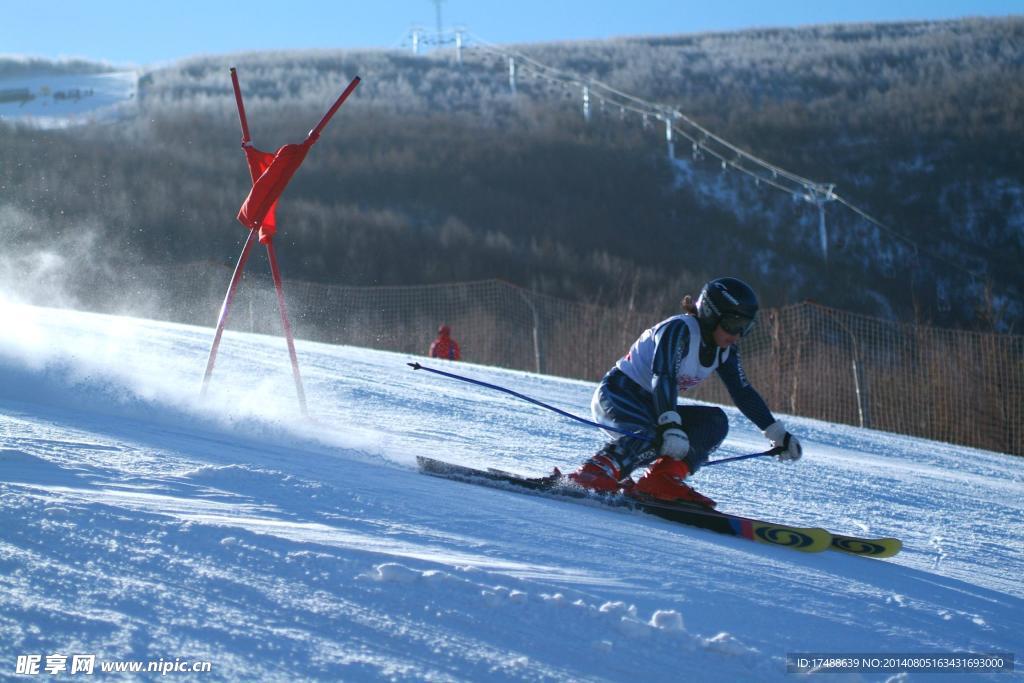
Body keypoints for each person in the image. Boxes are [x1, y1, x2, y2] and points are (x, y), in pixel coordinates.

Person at [567, 276, 802, 508]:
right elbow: (664, 375)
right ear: (711, 315)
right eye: (733, 325)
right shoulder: (680, 330)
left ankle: (662, 478)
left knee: (715, 421)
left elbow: (743, 392)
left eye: (745, 328)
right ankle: (594, 471)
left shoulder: (725, 350)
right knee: (655, 433)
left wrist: (776, 432)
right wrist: (670, 423)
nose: (737, 335)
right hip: (618, 395)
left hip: (654, 404)